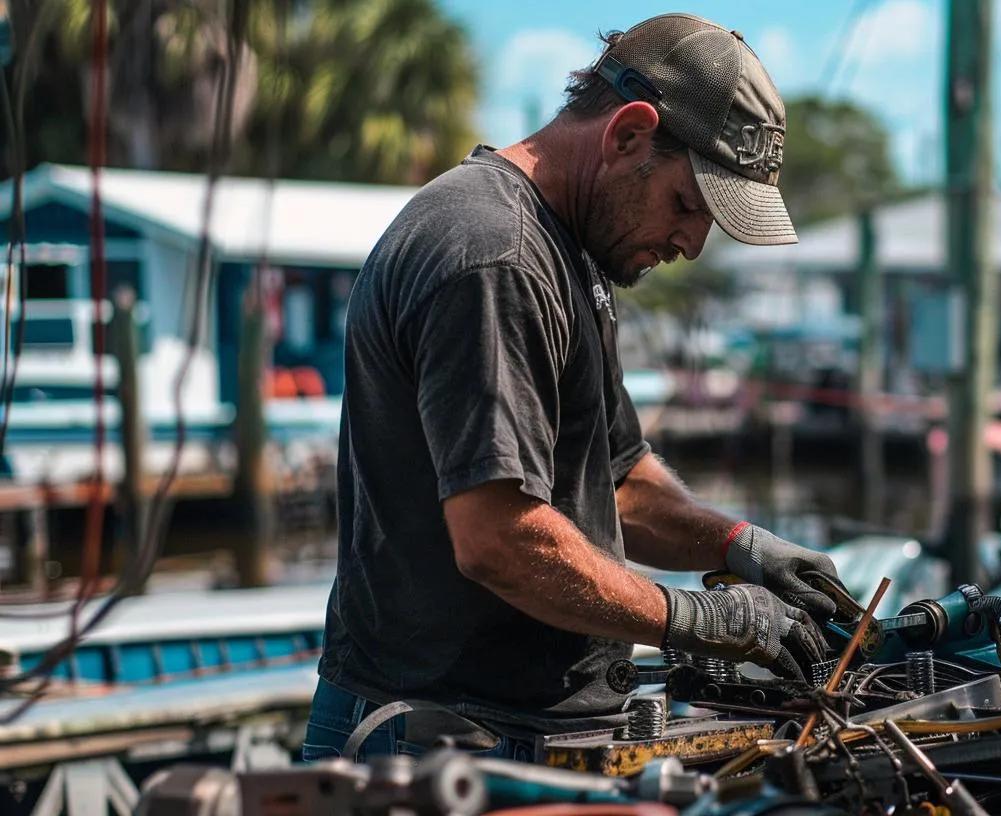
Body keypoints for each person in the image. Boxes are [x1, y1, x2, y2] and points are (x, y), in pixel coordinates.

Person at [303, 13, 840, 762]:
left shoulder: (569, 252)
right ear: (627, 135)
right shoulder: (495, 256)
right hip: (438, 743)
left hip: (509, 731)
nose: (691, 244)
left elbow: (616, 481)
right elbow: (500, 538)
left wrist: (739, 545)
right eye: (688, 205)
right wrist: (702, 620)